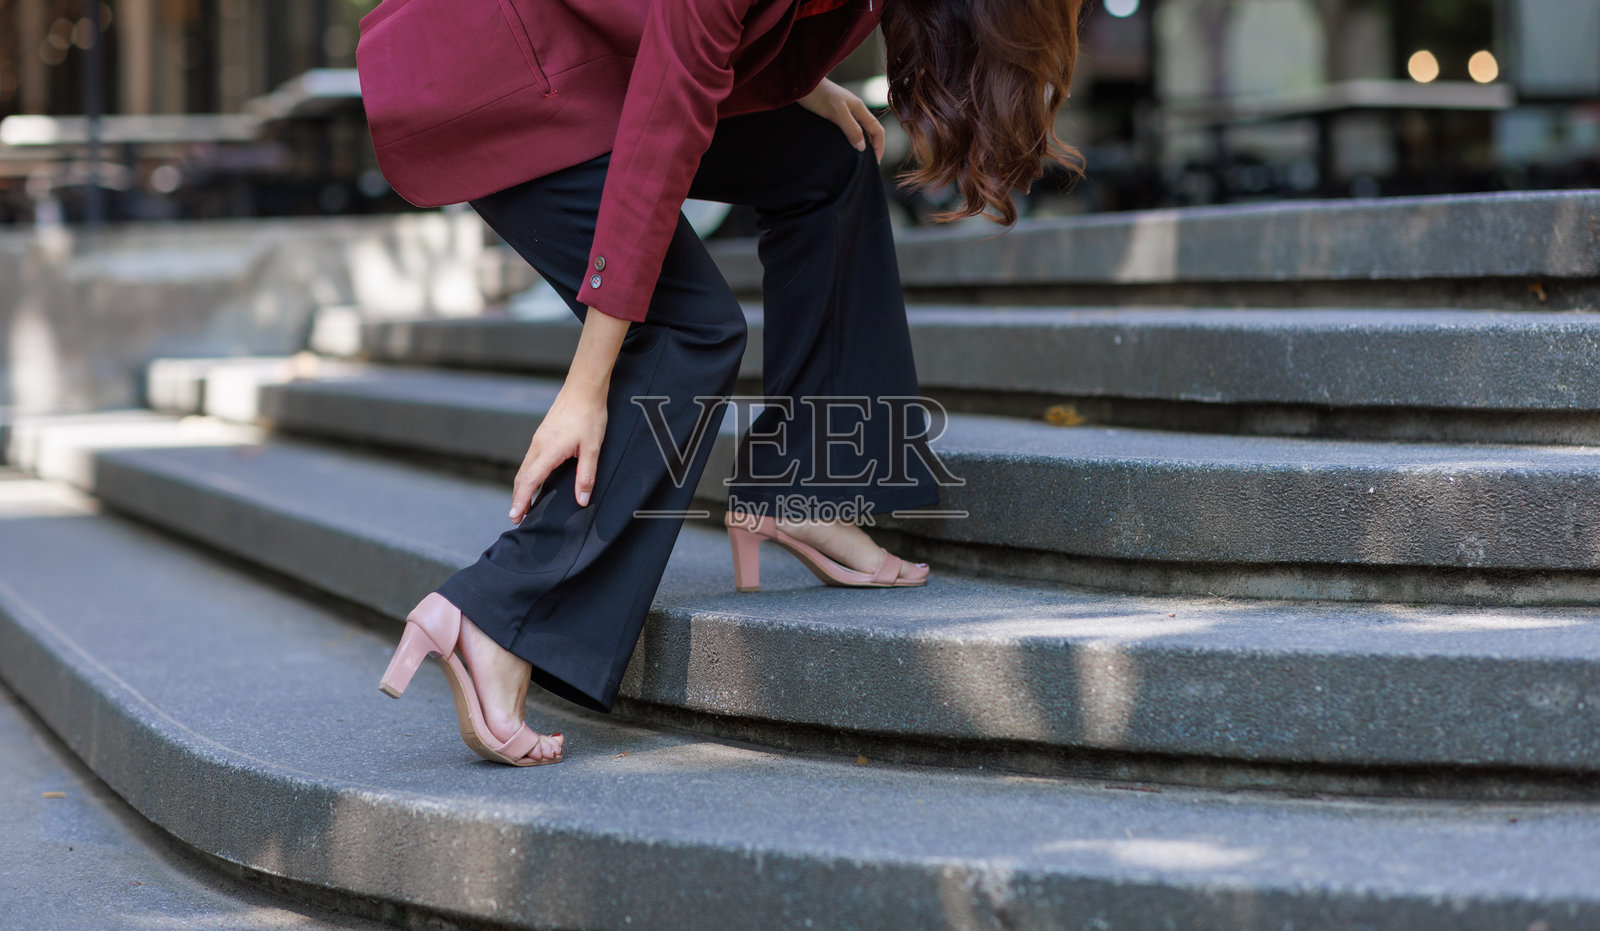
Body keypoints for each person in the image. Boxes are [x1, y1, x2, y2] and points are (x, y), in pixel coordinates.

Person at [365, 0, 1084, 766]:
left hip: (600, 61)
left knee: (828, 161)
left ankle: (807, 486)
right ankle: (499, 612)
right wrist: (587, 383)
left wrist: (792, 82)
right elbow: (664, 124)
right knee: (689, 327)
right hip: (500, 82)